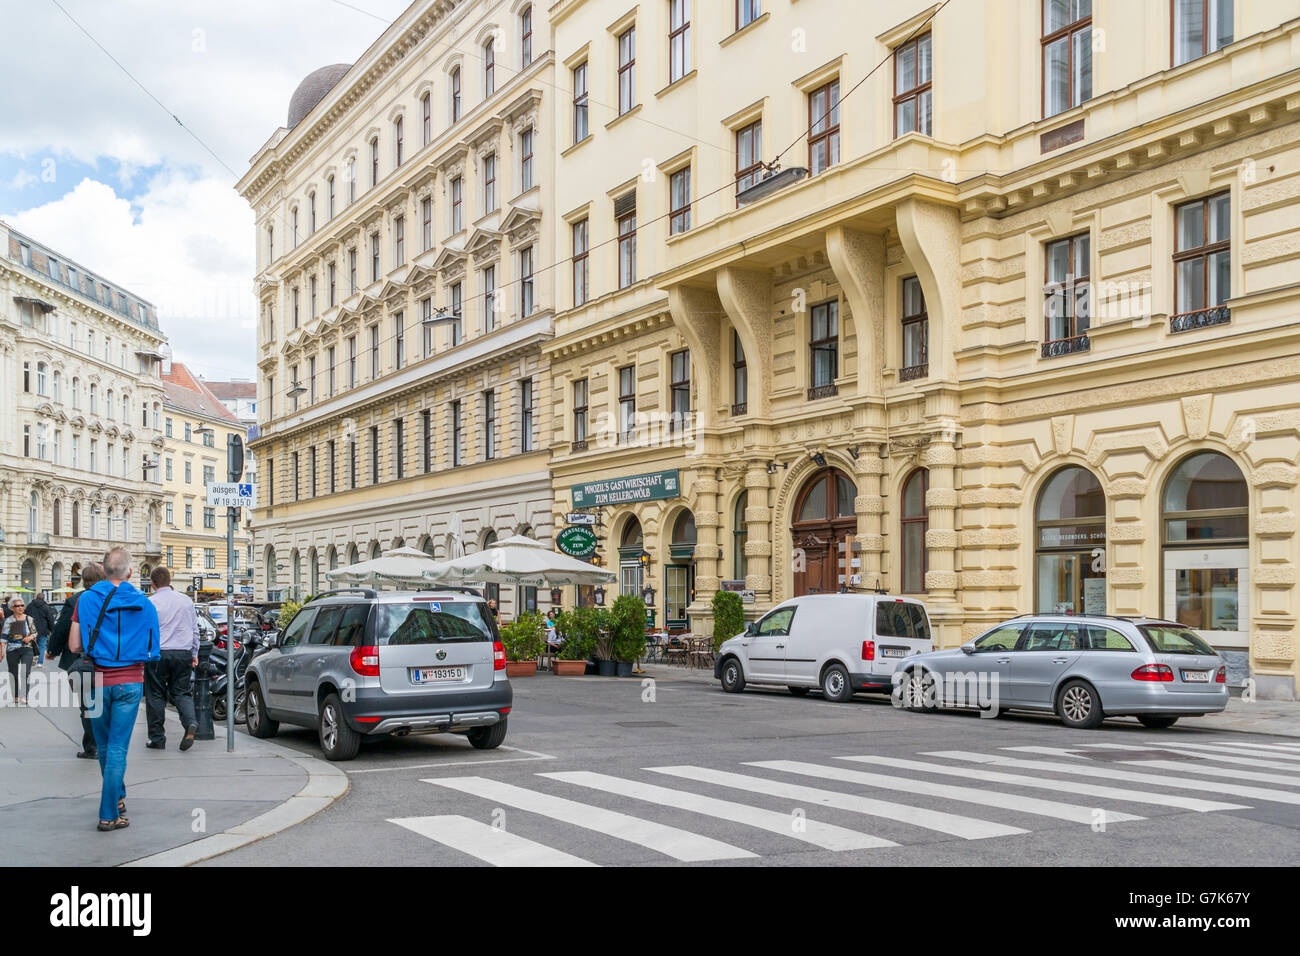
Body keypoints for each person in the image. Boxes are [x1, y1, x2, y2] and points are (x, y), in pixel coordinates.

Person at [69, 548, 160, 832]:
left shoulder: (85, 599)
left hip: (94, 681)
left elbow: (73, 646)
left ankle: (117, 800)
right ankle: (109, 812)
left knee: (106, 745)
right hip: (130, 682)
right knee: (118, 747)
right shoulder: (145, 604)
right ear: (131, 573)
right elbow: (153, 648)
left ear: (103, 569)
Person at [47, 564, 106, 758]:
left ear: (83, 580)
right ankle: (103, 742)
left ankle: (92, 746)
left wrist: (52, 650)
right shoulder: (111, 598)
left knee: (87, 703)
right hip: (107, 657)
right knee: (104, 700)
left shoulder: (75, 600)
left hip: (80, 658)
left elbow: (62, 628)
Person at [145, 567, 199, 751]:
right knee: (182, 692)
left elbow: (145, 631)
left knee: (155, 695)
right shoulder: (186, 600)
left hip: (158, 654)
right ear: (170, 581)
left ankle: (157, 738)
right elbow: (194, 629)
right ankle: (190, 722)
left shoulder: (150, 602)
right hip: (182, 653)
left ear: (152, 583)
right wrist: (194, 653)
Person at [1, 598, 37, 704]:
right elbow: (4, 637)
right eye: (17, 606)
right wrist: (2, 651)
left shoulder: (29, 619)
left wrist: (30, 638)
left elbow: (35, 633)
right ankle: (15, 695)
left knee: (25, 672)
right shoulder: (9, 620)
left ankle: (25, 695)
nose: (20, 607)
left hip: (27, 648)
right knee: (13, 673)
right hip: (12, 650)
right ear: (12, 608)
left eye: (22, 605)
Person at [27, 591, 56, 669]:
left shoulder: (29, 606)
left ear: (36, 597)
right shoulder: (46, 607)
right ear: (43, 598)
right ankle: (39, 663)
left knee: (31, 645)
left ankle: (30, 661)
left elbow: (25, 616)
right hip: (43, 630)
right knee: (42, 646)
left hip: (31, 629)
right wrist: (52, 629)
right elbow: (50, 619)